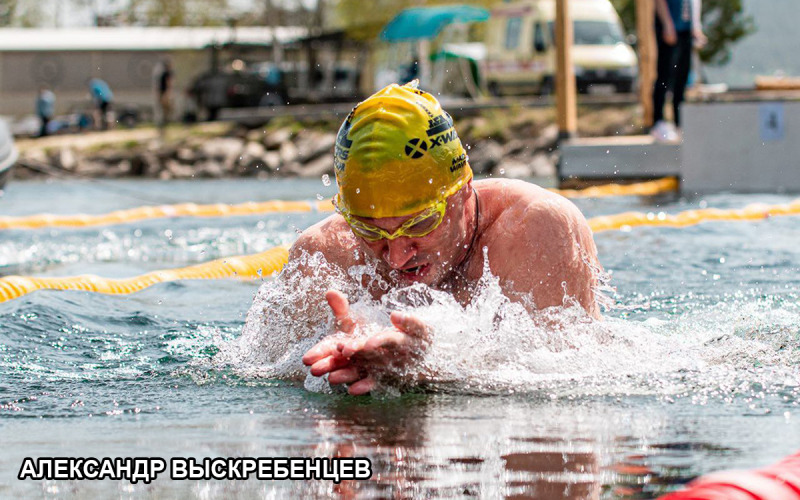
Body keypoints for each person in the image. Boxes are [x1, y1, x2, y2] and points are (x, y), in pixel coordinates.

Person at [288, 81, 602, 395]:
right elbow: (274, 369)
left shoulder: (534, 228)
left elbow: (567, 378)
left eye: (420, 223)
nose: (397, 257)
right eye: (370, 230)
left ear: (464, 189)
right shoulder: (324, 253)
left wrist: (430, 369)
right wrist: (333, 360)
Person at [651, 0, 707, 142]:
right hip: (669, 27)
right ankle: (658, 122)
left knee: (682, 77)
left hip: (685, 30)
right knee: (665, 76)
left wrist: (696, 28)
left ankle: (679, 123)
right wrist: (667, 24)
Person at [155, 58, 174, 128]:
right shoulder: (166, 73)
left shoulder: (167, 73)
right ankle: (164, 121)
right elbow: (168, 83)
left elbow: (169, 83)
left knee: (167, 108)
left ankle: (165, 121)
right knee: (164, 108)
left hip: (164, 93)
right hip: (164, 93)